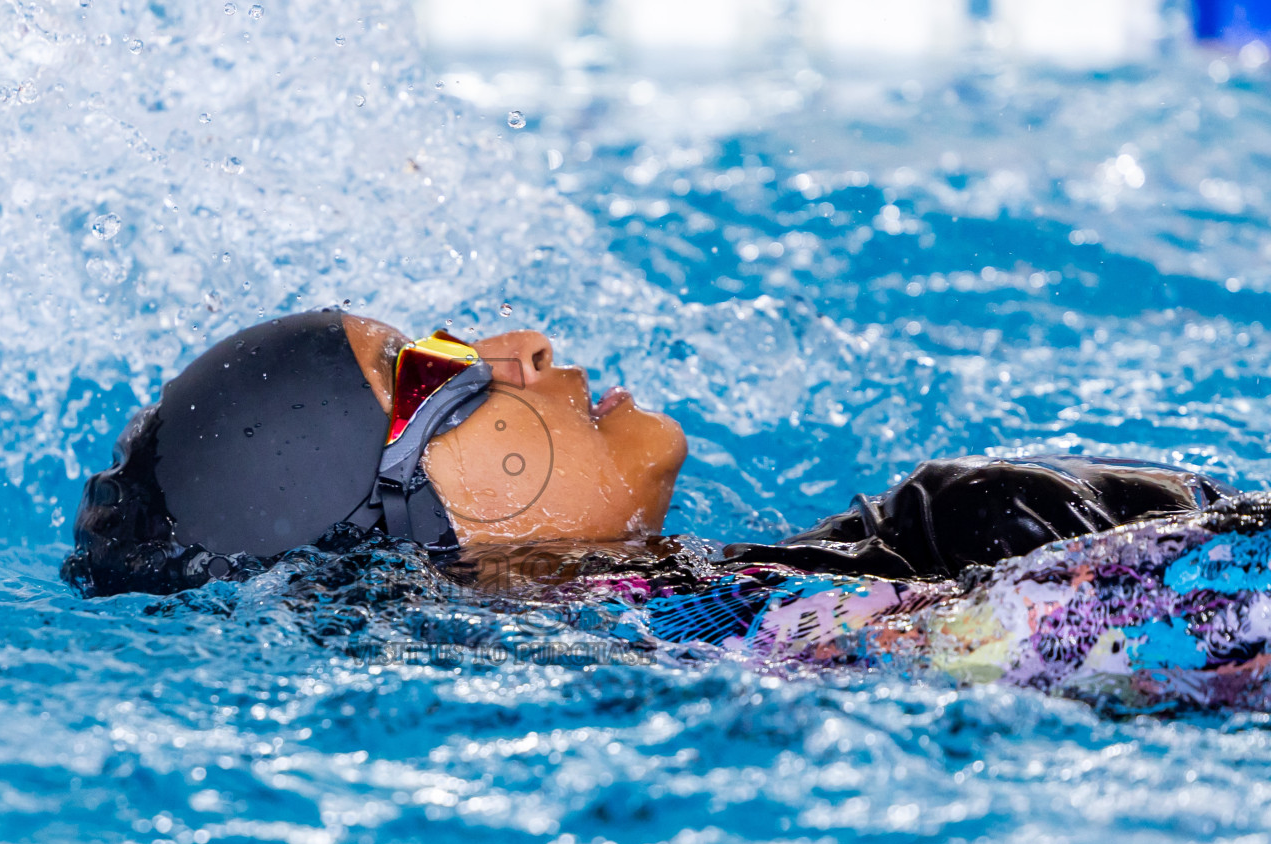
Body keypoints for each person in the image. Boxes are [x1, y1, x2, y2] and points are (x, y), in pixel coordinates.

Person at [62, 309, 1271, 709]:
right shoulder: (683, 643)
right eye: (432, 364)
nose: (519, 344)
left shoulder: (713, 604)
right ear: (430, 516)